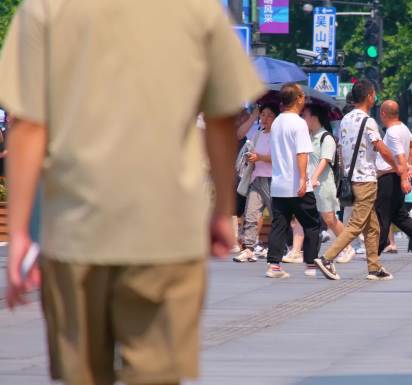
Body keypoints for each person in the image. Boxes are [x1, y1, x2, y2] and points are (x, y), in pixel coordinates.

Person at [1, 1, 263, 384]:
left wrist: (21, 231)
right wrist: (223, 210)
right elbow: (223, 114)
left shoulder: (46, 8)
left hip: (75, 226)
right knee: (155, 374)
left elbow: (27, 124)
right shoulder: (197, 9)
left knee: (83, 375)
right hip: (166, 226)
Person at [315, 80, 396, 281]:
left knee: (372, 226)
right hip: (366, 179)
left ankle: (374, 267)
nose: (375, 97)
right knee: (357, 224)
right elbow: (380, 146)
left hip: (351, 178)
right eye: (374, 94)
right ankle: (327, 258)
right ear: (369, 96)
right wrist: (397, 166)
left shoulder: (346, 119)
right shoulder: (368, 121)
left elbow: (341, 150)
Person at [284, 105, 356, 266]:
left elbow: (325, 160)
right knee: (300, 218)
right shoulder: (308, 137)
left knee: (330, 220)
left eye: (305, 116)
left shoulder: (326, 137)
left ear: (314, 117)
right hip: (309, 185)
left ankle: (348, 247)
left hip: (323, 185)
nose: (303, 119)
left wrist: (314, 178)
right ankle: (296, 251)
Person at [265, 83, 322, 278]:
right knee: (312, 223)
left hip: (279, 184)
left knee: (279, 225)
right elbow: (301, 154)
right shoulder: (298, 123)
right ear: (297, 99)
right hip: (297, 184)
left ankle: (274, 265)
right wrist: (302, 180)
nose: (304, 98)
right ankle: (311, 265)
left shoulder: (277, 122)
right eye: (302, 95)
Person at [375, 100, 412, 257]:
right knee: (398, 215)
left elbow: (400, 157)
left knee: (383, 214)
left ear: (383, 114)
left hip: (389, 177)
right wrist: (408, 167)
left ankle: (375, 252)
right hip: (396, 175)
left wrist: (404, 177)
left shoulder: (392, 132)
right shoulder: (402, 128)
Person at [234, 104, 278, 263]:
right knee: (251, 215)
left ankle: (282, 246)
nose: (265, 118)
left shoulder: (278, 135)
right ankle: (249, 248)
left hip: (271, 180)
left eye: (269, 115)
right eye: (263, 114)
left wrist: (259, 157)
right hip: (256, 178)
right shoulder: (258, 134)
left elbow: (278, 159)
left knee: (276, 216)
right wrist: (250, 157)